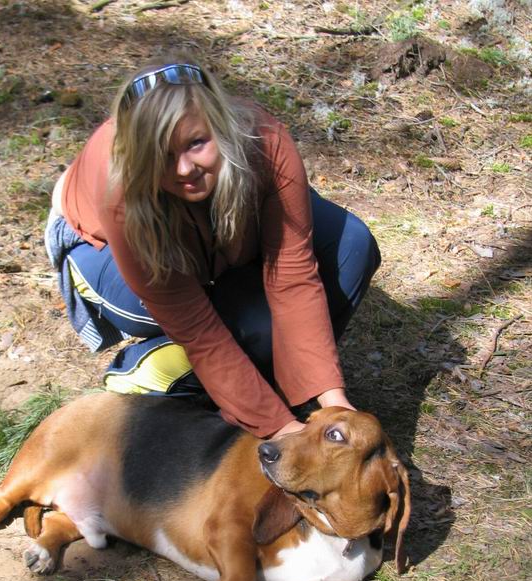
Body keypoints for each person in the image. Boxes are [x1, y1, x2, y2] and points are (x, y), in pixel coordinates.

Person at [45, 60, 381, 439]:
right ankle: (148, 373)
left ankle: (277, 385)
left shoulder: (264, 139)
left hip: (218, 210)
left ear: (220, 125)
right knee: (250, 322)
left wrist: (334, 403)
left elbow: (293, 275)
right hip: (102, 247)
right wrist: (280, 430)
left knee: (350, 244)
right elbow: (198, 329)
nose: (184, 169)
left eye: (196, 143)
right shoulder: (120, 189)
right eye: (162, 155)